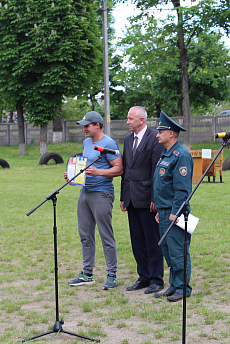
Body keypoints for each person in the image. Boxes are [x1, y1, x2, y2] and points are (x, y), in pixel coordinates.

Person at [65, 111, 123, 290]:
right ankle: (87, 273)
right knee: (85, 235)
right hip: (85, 193)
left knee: (106, 235)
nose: (84, 129)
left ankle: (111, 274)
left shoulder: (109, 143)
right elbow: (84, 166)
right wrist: (73, 175)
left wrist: (99, 172)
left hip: (102, 193)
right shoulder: (86, 143)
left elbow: (119, 169)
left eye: (87, 126)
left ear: (97, 125)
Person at [120, 106, 164, 294]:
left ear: (141, 120)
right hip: (131, 198)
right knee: (137, 240)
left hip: (147, 198)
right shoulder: (128, 139)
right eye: (128, 119)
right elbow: (125, 169)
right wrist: (124, 195)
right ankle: (143, 276)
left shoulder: (155, 139)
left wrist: (155, 197)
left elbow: (157, 170)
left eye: (130, 119)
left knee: (152, 240)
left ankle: (156, 279)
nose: (127, 122)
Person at [153, 111, 193, 302]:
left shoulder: (181, 155)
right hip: (164, 211)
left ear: (171, 134)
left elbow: (182, 190)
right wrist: (161, 210)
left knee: (178, 250)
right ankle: (174, 285)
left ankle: (183, 287)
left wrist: (174, 213)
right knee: (168, 250)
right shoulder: (166, 154)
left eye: (161, 131)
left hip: (176, 212)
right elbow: (162, 184)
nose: (157, 134)